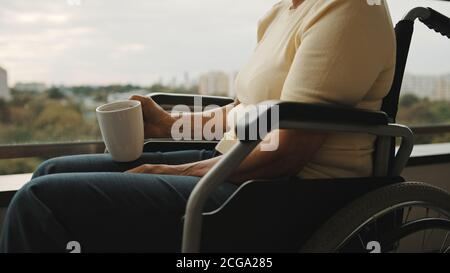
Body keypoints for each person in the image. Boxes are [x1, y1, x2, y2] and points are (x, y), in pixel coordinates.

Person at [0, 0, 396, 252]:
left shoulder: (350, 9)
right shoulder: (281, 13)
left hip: (283, 194)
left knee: (41, 203)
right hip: (236, 164)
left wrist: (175, 170)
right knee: (48, 172)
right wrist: (168, 124)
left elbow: (287, 150)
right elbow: (245, 110)